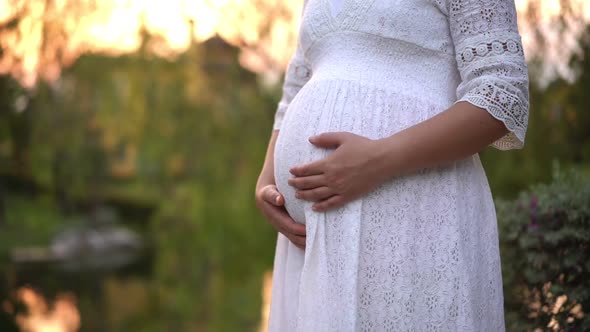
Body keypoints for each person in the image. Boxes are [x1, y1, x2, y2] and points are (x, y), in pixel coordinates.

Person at [255, 0, 529, 330]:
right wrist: (267, 178)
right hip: (310, 242)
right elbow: (296, 86)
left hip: (415, 220)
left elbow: (501, 94)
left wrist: (379, 159)